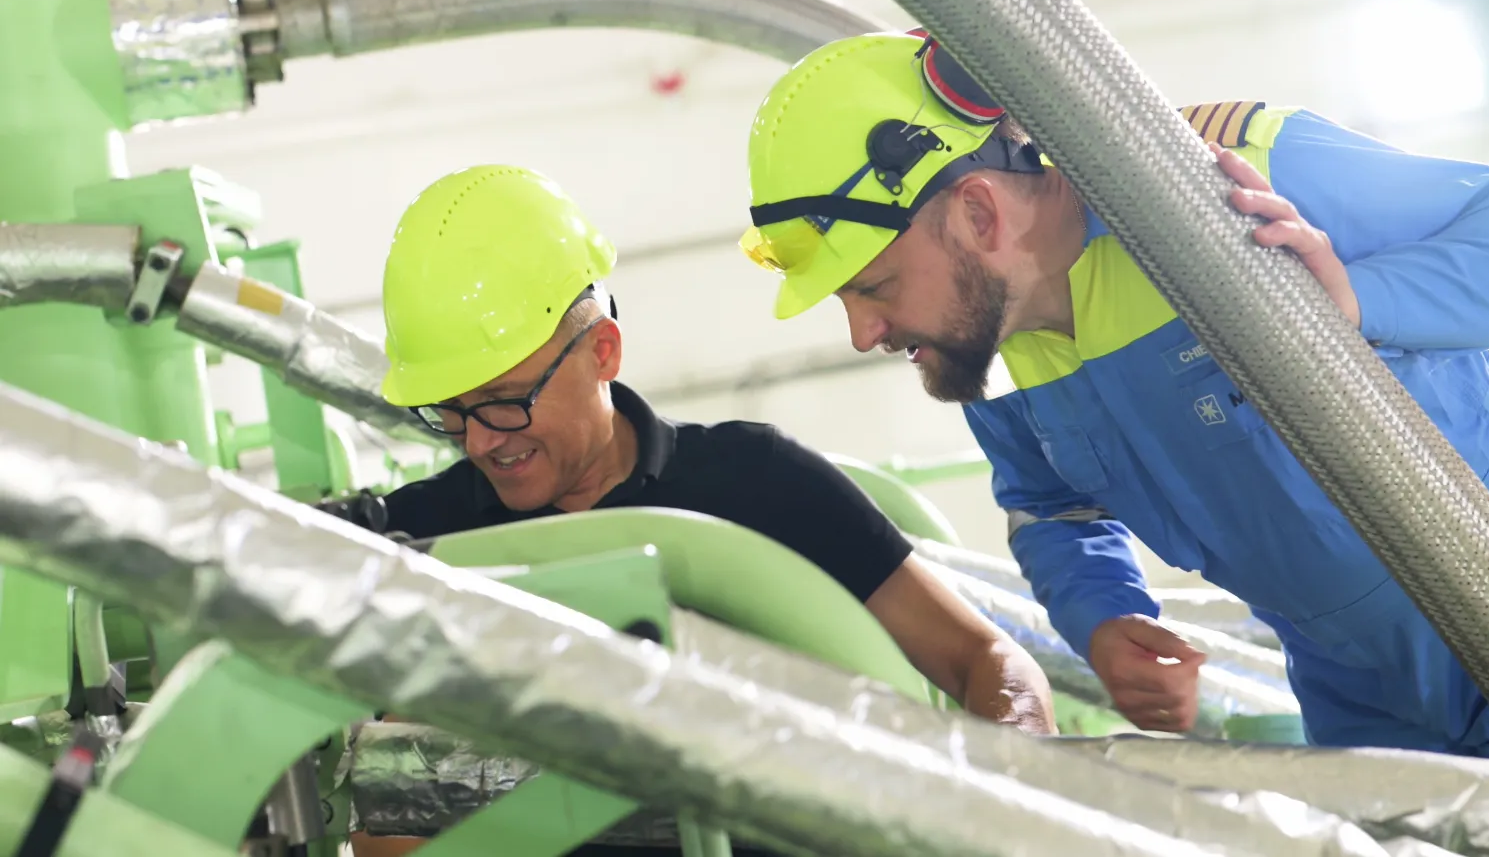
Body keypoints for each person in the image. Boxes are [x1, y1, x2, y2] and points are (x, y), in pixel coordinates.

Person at [739, 29, 1489, 756]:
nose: (863, 333)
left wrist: (1359, 303)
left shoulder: (1224, 174)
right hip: (1363, 697)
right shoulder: (995, 361)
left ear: (978, 212)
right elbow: (1049, 507)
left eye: (874, 287)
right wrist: (1104, 616)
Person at [349, 165, 1055, 857]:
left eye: (505, 401)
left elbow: (983, 657)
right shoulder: (424, 543)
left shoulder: (754, 484)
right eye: (450, 411)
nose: (480, 440)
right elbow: (377, 813)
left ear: (602, 351)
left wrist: (1016, 809)